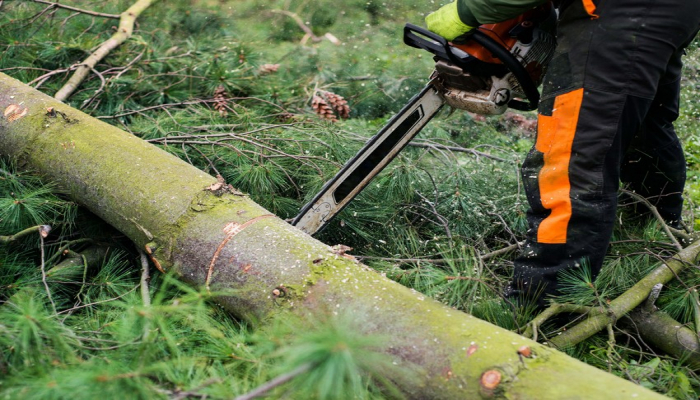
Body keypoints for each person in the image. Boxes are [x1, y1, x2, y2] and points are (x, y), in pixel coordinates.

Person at [426, 0, 700, 308]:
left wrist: (469, 11)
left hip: (616, 10)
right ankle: (656, 236)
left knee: (574, 155)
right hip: (669, 10)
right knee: (643, 126)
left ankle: (543, 302)